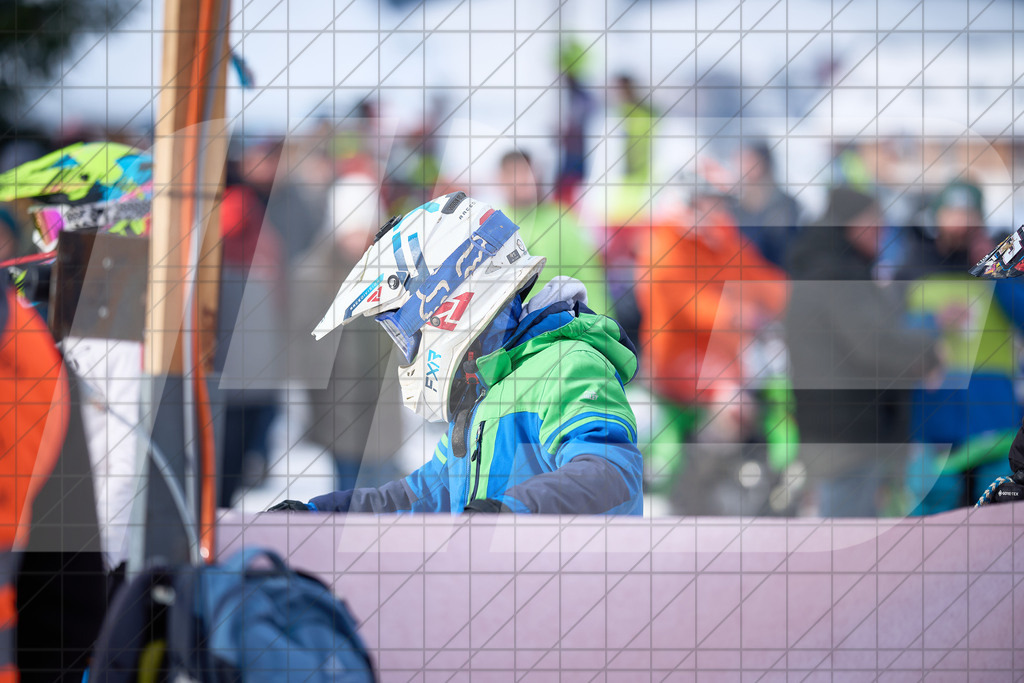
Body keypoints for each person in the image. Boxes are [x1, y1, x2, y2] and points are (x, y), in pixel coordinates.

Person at [270, 191, 643, 515]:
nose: (412, 343)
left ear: (450, 301)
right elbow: (429, 495)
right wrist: (325, 513)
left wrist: (509, 514)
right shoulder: (484, 385)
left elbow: (611, 471)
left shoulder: (567, 364)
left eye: (409, 328)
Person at [785, 186, 940, 517]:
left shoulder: (823, 269)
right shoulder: (838, 275)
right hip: (850, 437)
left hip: (839, 433)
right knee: (851, 550)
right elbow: (874, 343)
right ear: (851, 225)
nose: (881, 231)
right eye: (874, 221)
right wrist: (931, 350)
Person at [896, 180, 1024, 513]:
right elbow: (890, 333)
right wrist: (931, 321)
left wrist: (997, 269)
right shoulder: (913, 264)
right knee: (932, 501)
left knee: (998, 506)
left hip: (992, 414)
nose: (960, 224)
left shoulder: (1002, 263)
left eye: (968, 215)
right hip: (934, 414)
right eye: (952, 214)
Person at [498, 149, 610, 317]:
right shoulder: (496, 224)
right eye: (511, 174)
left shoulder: (562, 222)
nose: (518, 181)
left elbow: (588, 278)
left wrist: (602, 325)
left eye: (524, 172)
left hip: (560, 327)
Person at [729, 141, 801, 270]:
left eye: (749, 160)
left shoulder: (783, 204)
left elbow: (783, 246)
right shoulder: (736, 205)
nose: (743, 166)